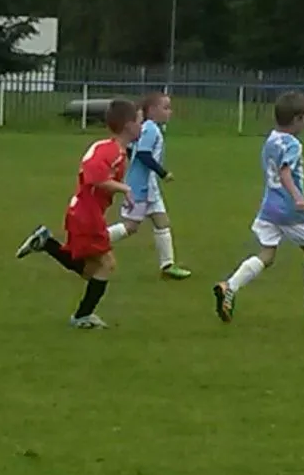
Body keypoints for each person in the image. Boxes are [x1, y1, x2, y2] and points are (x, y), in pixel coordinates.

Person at [213, 90, 304, 326]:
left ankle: (229, 286)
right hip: (290, 210)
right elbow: (285, 172)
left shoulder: (271, 140)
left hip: (269, 208)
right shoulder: (293, 144)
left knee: (267, 255)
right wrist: (298, 198)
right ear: (297, 119)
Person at [14, 99, 143, 328]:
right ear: (128, 125)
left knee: (90, 270)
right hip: (87, 214)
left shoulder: (113, 149)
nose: (142, 125)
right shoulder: (110, 150)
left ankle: (46, 243)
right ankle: (82, 316)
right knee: (107, 265)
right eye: (139, 121)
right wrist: (124, 189)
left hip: (84, 212)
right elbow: (94, 177)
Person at [104, 92, 191, 279]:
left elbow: (132, 150)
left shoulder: (147, 128)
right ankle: (92, 241)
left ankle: (167, 265)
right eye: (165, 108)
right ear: (152, 110)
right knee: (130, 227)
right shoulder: (150, 129)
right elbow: (143, 154)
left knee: (162, 223)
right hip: (141, 187)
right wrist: (163, 173)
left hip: (150, 187)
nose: (169, 112)